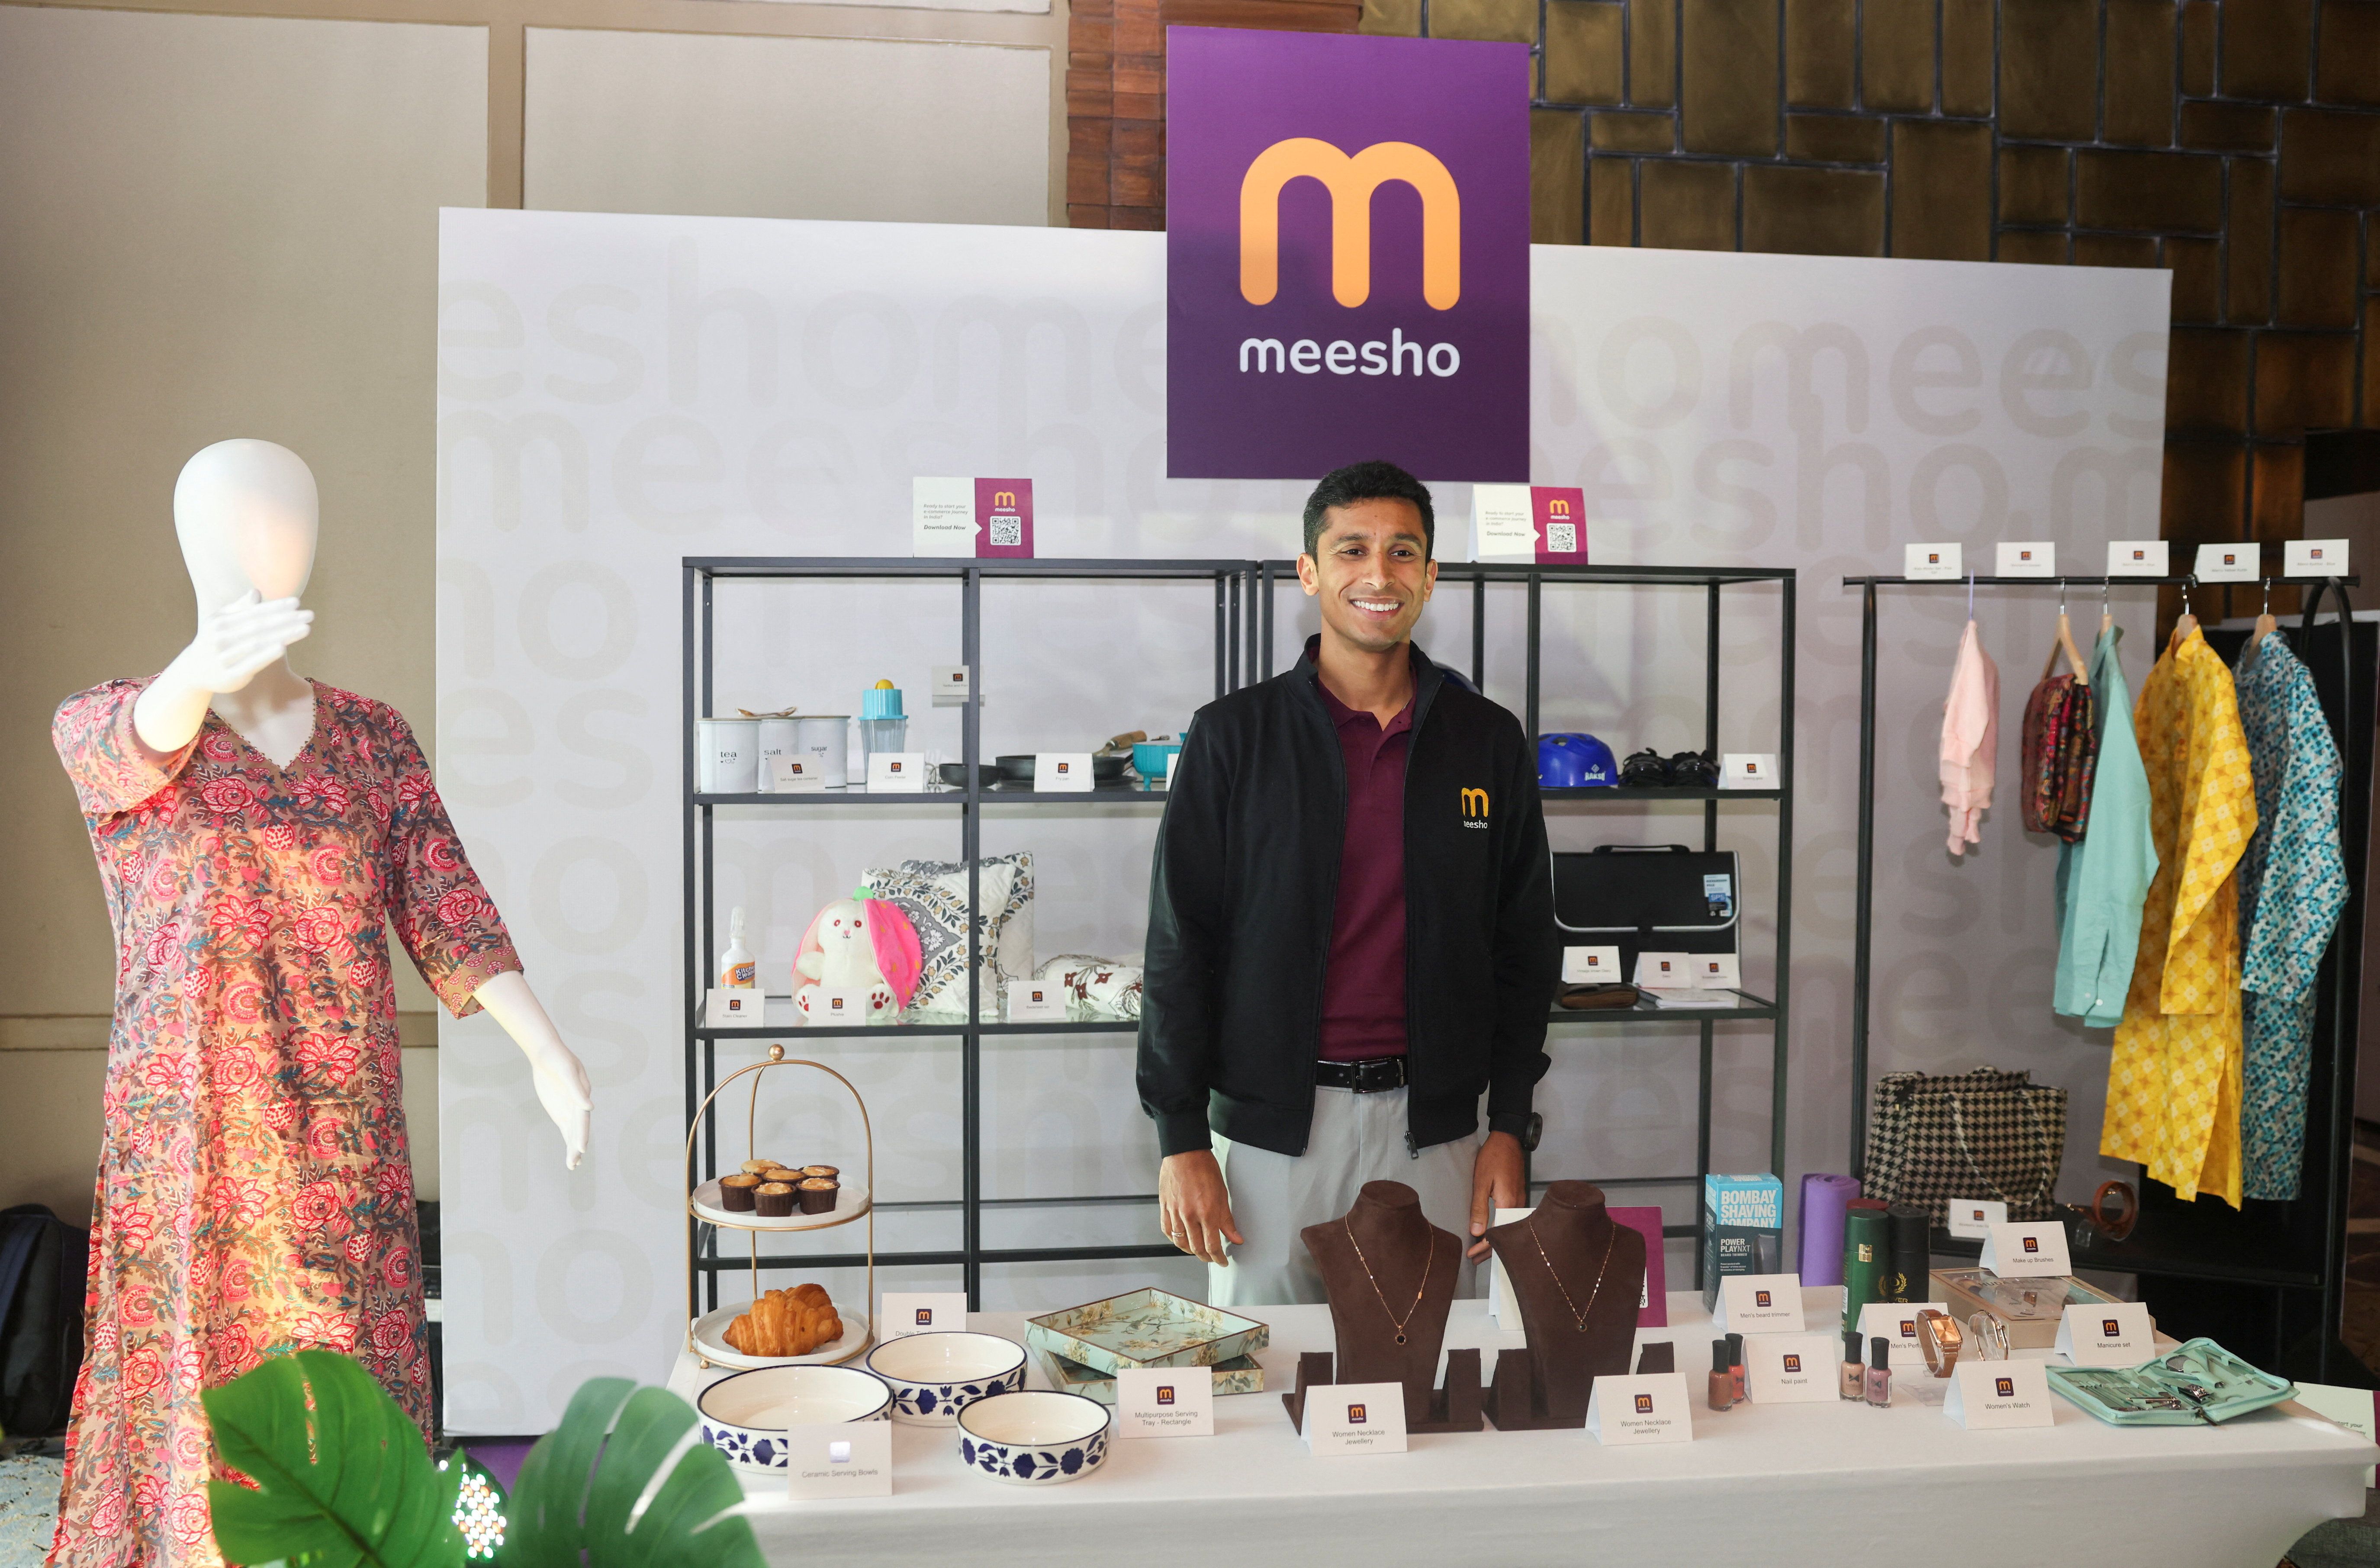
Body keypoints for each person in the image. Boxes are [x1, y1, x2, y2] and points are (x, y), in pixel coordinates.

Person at [1138, 459, 1557, 1305]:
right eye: (1351, 550)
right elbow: (1182, 944)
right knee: (1261, 1388)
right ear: (1309, 572)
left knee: (1432, 1392)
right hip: (1270, 1139)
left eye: (1402, 552)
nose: (1378, 574)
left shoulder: (1485, 742)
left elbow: (1523, 949)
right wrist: (1180, 1135)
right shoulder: (1232, 739)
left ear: (1430, 576)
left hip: (1435, 1134)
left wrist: (1507, 1126)